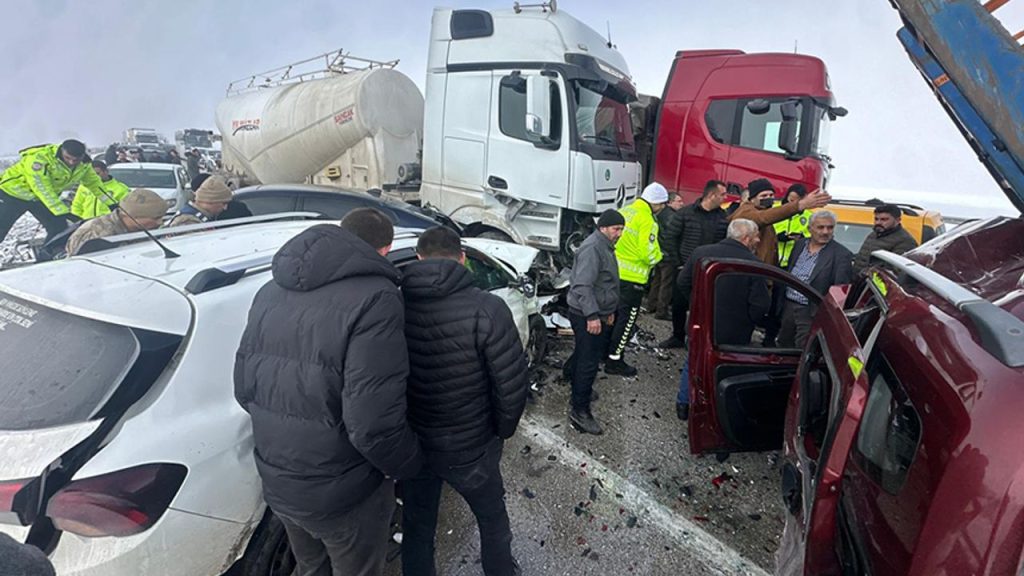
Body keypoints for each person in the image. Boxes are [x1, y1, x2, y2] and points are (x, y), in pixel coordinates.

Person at [234, 208, 423, 576]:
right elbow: (371, 424)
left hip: (278, 479)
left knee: (309, 566)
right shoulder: (377, 297)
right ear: (384, 250)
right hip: (343, 491)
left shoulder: (270, 290)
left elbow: (244, 389)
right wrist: (410, 463)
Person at [399, 226, 528, 576]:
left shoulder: (394, 304)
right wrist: (499, 433)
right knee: (491, 519)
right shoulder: (487, 307)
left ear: (418, 258)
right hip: (471, 446)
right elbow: (512, 384)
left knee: (418, 525)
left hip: (414, 445)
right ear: (463, 259)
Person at [674, 219, 770, 420]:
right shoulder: (754, 264)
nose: (758, 240)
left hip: (701, 323)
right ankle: (716, 414)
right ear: (746, 238)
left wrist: (698, 305)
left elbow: (682, 282)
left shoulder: (701, 253)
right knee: (725, 370)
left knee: (694, 361)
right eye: (756, 236)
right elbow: (760, 304)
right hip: (735, 330)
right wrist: (749, 321)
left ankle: (684, 405)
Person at [564, 210, 625, 435]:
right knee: (589, 361)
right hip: (585, 313)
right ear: (603, 228)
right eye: (615, 229)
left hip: (597, 311)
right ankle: (580, 410)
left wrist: (608, 311)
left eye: (621, 229)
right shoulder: (593, 248)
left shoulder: (604, 245)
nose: (619, 233)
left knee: (585, 351)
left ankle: (570, 375)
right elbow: (582, 286)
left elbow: (604, 283)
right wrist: (592, 315)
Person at [607, 182, 667, 376]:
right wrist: (659, 257)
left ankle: (604, 353)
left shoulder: (625, 211)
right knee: (625, 323)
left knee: (610, 317)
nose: (663, 208)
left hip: (613, 274)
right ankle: (615, 361)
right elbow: (647, 253)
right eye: (663, 204)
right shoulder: (648, 220)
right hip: (633, 280)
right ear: (656, 203)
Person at [659, 180, 728, 349]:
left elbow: (724, 242)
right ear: (712, 195)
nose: (725, 198)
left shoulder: (723, 218)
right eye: (723, 195)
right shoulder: (685, 213)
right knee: (679, 305)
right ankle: (677, 336)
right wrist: (678, 264)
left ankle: (697, 340)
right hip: (684, 268)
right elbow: (670, 238)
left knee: (703, 307)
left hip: (709, 271)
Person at [0, 139, 106, 244]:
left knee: (60, 228)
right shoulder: (39, 159)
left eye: (75, 160)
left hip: (37, 198)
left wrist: (111, 203)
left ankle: (49, 256)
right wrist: (62, 212)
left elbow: (95, 184)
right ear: (61, 151)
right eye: (68, 158)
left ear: (82, 156)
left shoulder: (83, 165)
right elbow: (42, 187)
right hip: (11, 194)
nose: (71, 162)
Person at [779, 211, 853, 349]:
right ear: (809, 229)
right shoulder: (799, 245)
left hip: (811, 311)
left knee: (803, 350)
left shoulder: (841, 255)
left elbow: (840, 293)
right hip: (789, 306)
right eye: (820, 227)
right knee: (783, 345)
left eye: (830, 227)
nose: (825, 232)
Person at [728, 178, 832, 266]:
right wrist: (800, 205)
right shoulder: (746, 211)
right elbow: (763, 218)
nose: (769, 198)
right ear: (752, 199)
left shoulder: (766, 211)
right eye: (763, 196)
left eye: (771, 195)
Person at [65, 188, 167, 256]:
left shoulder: (143, 229)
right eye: (155, 218)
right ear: (131, 216)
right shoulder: (98, 235)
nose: (160, 223)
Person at [646, 192, 686, 320]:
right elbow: (672, 237)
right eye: (678, 201)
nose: (682, 204)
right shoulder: (671, 217)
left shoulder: (659, 215)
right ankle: (661, 311)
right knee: (666, 284)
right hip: (668, 255)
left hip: (659, 252)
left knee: (657, 280)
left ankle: (651, 305)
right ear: (670, 202)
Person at [852, 203, 919, 275]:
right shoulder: (874, 234)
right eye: (876, 219)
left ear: (898, 220)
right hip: (858, 281)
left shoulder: (906, 241)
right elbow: (863, 257)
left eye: (884, 219)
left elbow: (894, 270)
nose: (878, 222)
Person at [774, 183, 813, 268]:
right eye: (791, 200)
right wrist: (777, 237)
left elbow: (812, 237)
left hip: (794, 262)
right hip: (772, 258)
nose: (793, 204)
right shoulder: (775, 209)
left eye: (797, 201)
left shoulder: (808, 216)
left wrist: (802, 238)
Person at [166, 176, 232, 227]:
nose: (225, 208)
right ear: (209, 201)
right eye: (223, 203)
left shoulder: (197, 217)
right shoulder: (189, 221)